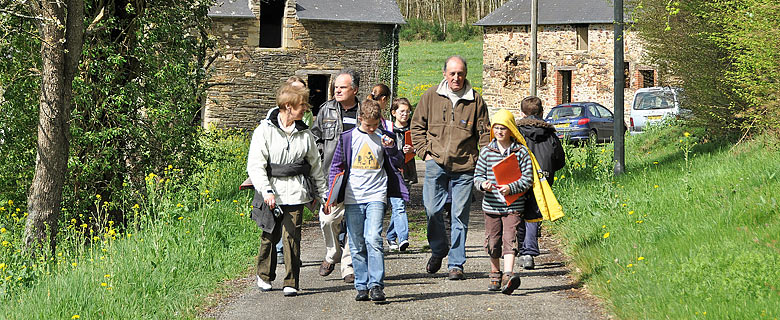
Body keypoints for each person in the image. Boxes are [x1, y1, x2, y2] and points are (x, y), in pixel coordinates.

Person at [410, 55, 490, 280]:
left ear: (466, 74)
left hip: (465, 166)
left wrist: (486, 161)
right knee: (432, 210)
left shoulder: (476, 101)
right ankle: (438, 249)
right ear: (444, 73)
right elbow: (416, 126)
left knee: (459, 216)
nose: (456, 77)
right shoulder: (431, 96)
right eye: (452, 73)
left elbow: (484, 135)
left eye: (460, 73)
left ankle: (456, 264)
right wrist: (424, 153)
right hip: (435, 163)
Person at [247, 83, 328, 297]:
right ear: (287, 106)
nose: (306, 109)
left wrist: (324, 196)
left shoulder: (305, 134)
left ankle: (291, 280)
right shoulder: (264, 130)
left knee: (292, 236)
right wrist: (266, 191)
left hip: (295, 191)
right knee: (269, 235)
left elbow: (316, 167)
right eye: (302, 105)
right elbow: (255, 165)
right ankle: (264, 275)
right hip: (271, 191)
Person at [327, 100, 409, 302]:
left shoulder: (385, 137)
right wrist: (331, 195)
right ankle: (361, 285)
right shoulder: (347, 138)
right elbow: (336, 166)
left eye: (376, 125)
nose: (372, 129)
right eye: (368, 125)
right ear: (360, 119)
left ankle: (376, 285)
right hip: (353, 197)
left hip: (376, 195)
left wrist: (391, 149)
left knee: (373, 238)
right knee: (356, 242)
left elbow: (399, 162)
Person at [473, 108, 534, 295]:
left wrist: (511, 188)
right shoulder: (486, 152)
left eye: (503, 128)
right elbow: (477, 177)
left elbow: (528, 178)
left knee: (510, 238)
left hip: (513, 205)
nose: (499, 132)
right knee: (493, 241)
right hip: (491, 205)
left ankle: (508, 274)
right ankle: (495, 272)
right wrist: (484, 185)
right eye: (496, 128)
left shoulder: (521, 152)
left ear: (511, 130)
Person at [310, 69, 361, 283]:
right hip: (333, 176)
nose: (337, 90)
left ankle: (348, 266)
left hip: (358, 177)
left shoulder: (364, 111)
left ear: (354, 90)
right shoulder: (326, 110)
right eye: (336, 87)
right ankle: (332, 253)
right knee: (327, 219)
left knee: (354, 222)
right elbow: (315, 137)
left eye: (342, 87)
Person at [515, 96, 566, 269]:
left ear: (523, 112)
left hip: (520, 178)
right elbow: (560, 159)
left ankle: (523, 250)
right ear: (542, 111)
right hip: (543, 178)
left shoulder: (517, 133)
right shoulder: (550, 134)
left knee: (519, 212)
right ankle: (529, 252)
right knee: (535, 213)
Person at [385, 98, 416, 251]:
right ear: (394, 113)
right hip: (392, 172)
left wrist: (413, 150)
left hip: (407, 172)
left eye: (407, 111)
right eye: (401, 111)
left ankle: (391, 237)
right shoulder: (388, 130)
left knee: (400, 205)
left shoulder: (413, 130)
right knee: (398, 206)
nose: (405, 114)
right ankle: (403, 238)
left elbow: (421, 148)